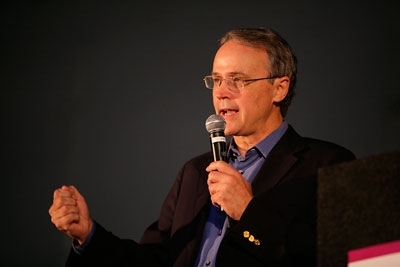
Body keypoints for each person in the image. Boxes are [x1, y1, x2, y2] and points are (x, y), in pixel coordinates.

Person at [49, 27, 355, 266]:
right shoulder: (195, 173)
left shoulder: (327, 164)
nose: (222, 92)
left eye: (238, 80)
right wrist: (87, 235)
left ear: (279, 87)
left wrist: (248, 212)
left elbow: (335, 259)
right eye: (217, 80)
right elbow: (155, 260)